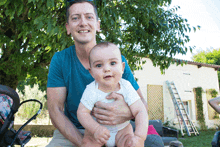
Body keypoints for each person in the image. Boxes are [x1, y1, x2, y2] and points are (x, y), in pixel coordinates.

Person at [46, 0, 164, 146]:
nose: (83, 23)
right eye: (75, 18)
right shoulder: (60, 60)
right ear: (68, 27)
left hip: (121, 129)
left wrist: (126, 113)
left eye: (89, 17)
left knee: (152, 143)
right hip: (75, 131)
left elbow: (142, 107)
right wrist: (85, 142)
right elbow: (55, 111)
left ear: (98, 25)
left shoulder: (117, 60)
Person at [77, 42, 148, 147]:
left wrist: (139, 137)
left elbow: (140, 111)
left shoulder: (126, 86)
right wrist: (96, 129)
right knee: (87, 143)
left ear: (122, 67)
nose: (107, 69)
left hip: (122, 131)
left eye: (113, 63)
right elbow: (82, 113)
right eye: (99, 65)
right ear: (91, 72)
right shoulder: (91, 90)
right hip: (98, 133)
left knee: (132, 143)